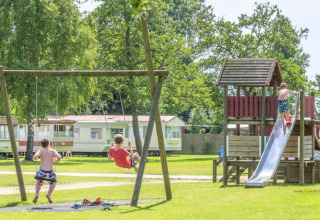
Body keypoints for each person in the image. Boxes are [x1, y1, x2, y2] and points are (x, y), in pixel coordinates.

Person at [33, 138, 61, 204]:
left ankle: (36, 194)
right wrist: (56, 160)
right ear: (49, 144)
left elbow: (35, 157)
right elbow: (59, 157)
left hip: (41, 171)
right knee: (53, 183)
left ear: (41, 145)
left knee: (38, 182)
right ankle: (48, 194)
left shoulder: (41, 151)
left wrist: (37, 156)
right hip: (50, 172)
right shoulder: (53, 151)